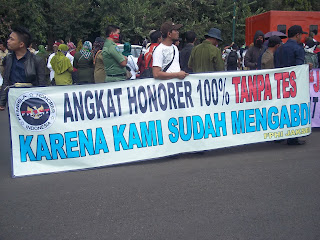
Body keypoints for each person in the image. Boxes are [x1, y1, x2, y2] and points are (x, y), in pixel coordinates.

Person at [274, 25, 308, 145]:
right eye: (301, 35)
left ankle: (279, 135)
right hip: (293, 84)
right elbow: (298, 69)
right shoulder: (298, 49)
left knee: (281, 107)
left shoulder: (279, 49)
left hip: (279, 83)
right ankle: (292, 137)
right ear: (297, 35)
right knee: (293, 108)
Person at [0, 27, 46, 110]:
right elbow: (6, 81)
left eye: (11, 39)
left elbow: (41, 85)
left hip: (32, 103)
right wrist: (2, 102)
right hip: (13, 101)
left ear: (21, 44)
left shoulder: (37, 61)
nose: (8, 41)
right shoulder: (8, 59)